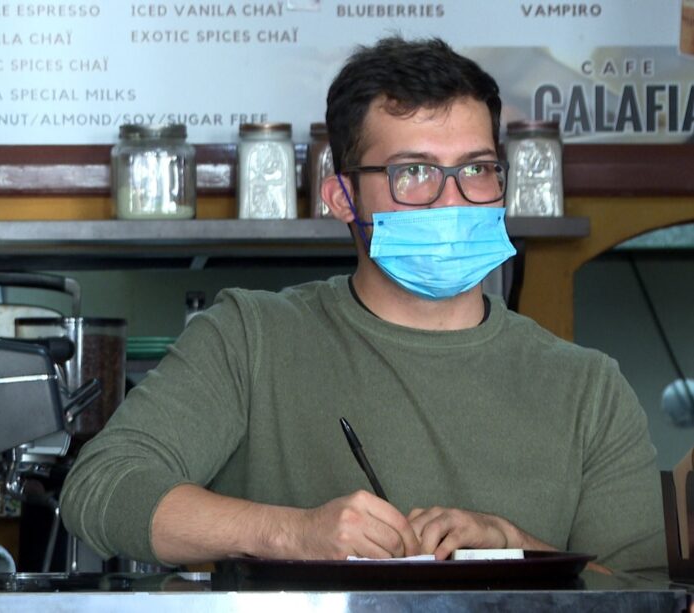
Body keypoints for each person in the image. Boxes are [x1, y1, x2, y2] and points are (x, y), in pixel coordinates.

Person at [61, 36, 666, 572]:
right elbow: (100, 490)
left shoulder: (589, 389)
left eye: (477, 169)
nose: (452, 200)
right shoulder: (250, 338)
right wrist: (291, 533)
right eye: (414, 173)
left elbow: (646, 594)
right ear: (342, 197)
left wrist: (516, 545)